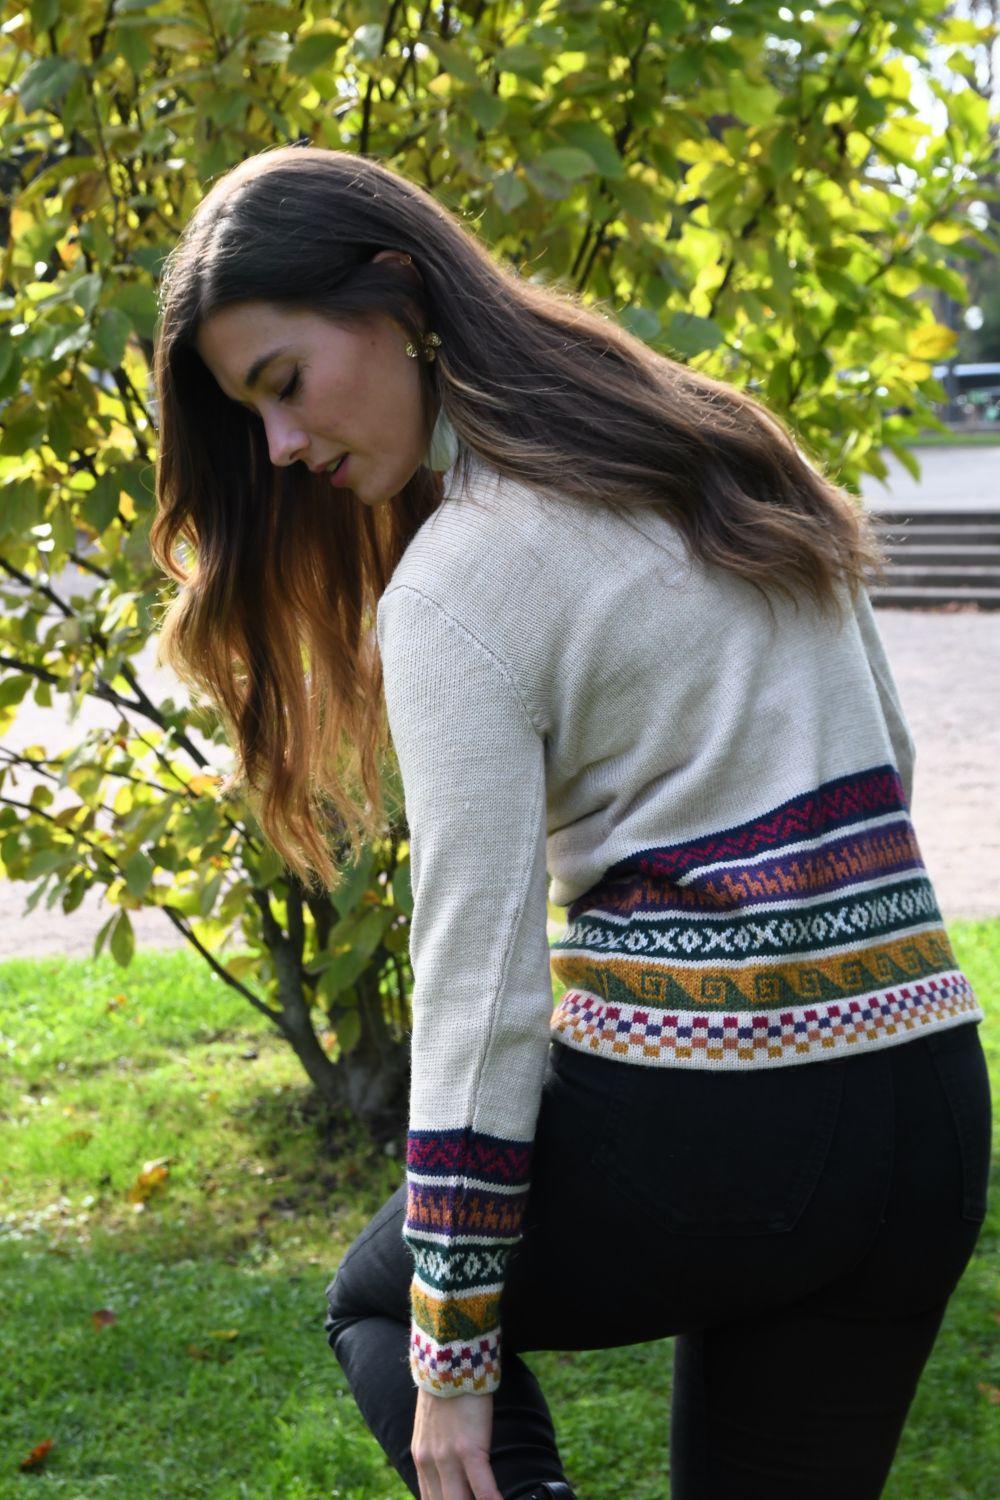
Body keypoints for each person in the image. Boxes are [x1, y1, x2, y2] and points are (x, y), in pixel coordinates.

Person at [151, 145, 991, 1500]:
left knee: (376, 1306)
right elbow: (882, 753)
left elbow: (478, 985)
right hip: (927, 1095)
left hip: (716, 1124)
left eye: (284, 384)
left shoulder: (458, 581)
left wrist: (451, 1355)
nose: (283, 448)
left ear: (397, 291)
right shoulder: (718, 435)